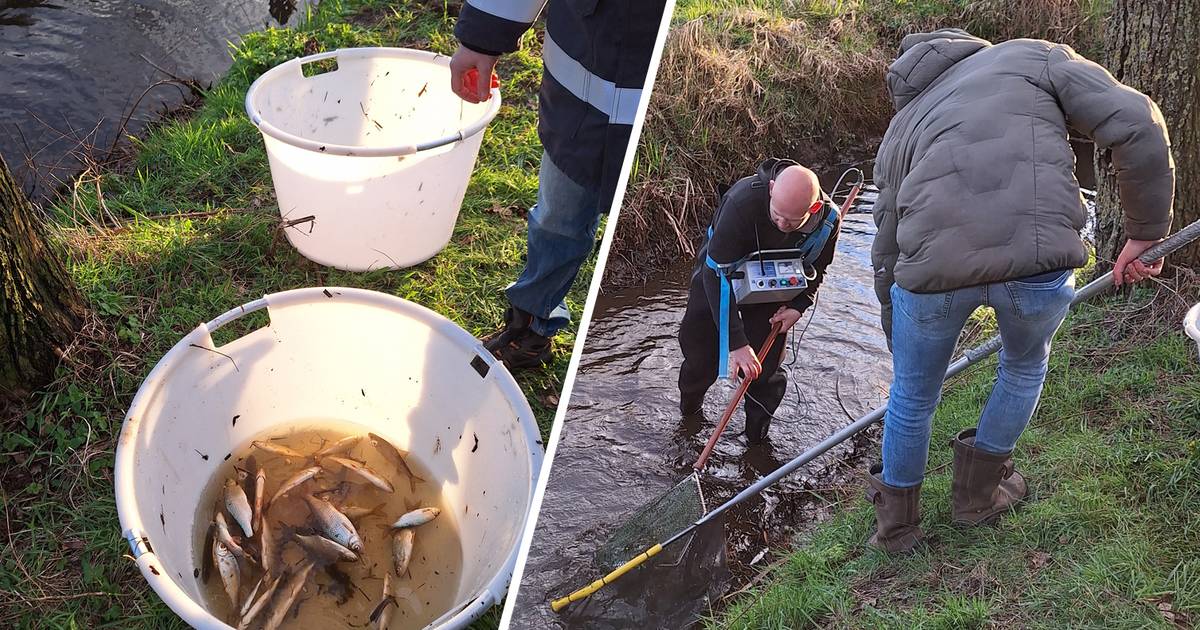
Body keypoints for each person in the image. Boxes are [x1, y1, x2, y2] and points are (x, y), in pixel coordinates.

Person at [866, 29, 1174, 552]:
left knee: (913, 395)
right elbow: (1137, 120)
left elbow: (887, 243)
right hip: (1038, 262)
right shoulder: (1032, 56)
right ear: (968, 45)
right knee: (1024, 364)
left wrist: (899, 331)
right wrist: (1146, 231)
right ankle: (977, 499)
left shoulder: (902, 126)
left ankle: (896, 530)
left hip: (931, 275)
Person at [450, 0, 668, 370]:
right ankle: (531, 324)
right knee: (556, 219)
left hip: (646, 129)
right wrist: (482, 38)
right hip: (577, 102)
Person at [678, 160, 841, 444]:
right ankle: (689, 416)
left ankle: (756, 439)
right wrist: (737, 343)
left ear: (812, 210)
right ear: (771, 189)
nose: (781, 224)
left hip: (773, 288)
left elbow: (819, 268)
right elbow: (715, 274)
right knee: (700, 358)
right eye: (777, 215)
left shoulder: (827, 222)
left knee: (763, 373)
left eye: (792, 222)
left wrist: (799, 305)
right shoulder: (740, 202)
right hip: (719, 275)